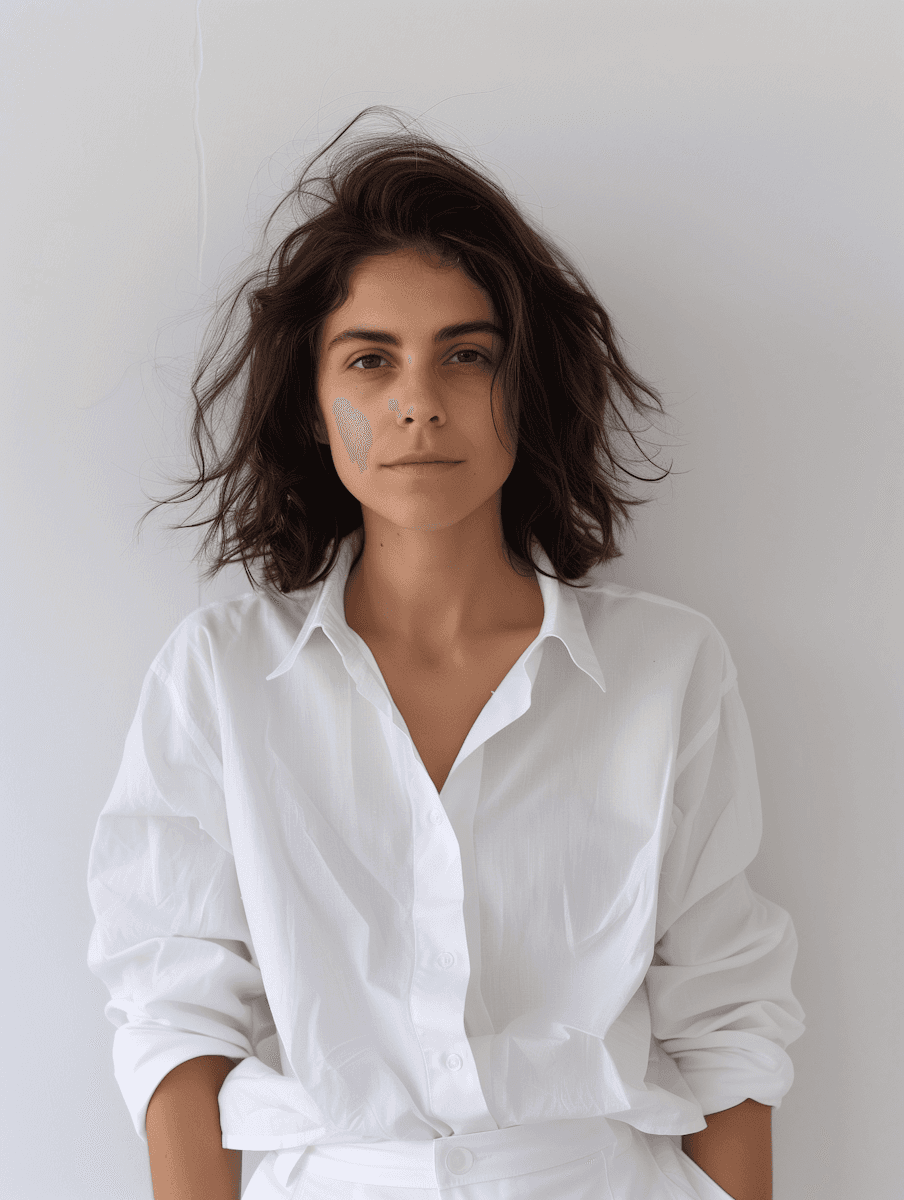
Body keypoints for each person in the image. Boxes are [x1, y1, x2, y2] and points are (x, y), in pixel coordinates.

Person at [86, 107, 805, 1200]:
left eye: (466, 356)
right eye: (370, 361)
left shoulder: (666, 672)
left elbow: (727, 1015)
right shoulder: (220, 677)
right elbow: (173, 1009)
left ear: (527, 391)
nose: (418, 403)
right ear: (317, 408)